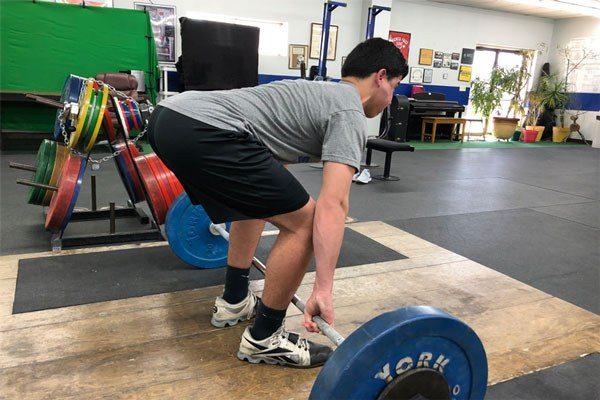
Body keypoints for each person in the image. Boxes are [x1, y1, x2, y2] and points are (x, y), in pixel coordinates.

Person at [148, 38, 408, 368]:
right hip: (202, 128)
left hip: (171, 118)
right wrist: (323, 288)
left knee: (260, 204)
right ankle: (265, 336)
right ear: (381, 76)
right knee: (305, 222)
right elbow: (334, 205)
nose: (391, 99)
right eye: (395, 86)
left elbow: (266, 179)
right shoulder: (349, 111)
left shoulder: (315, 93)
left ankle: (235, 299)